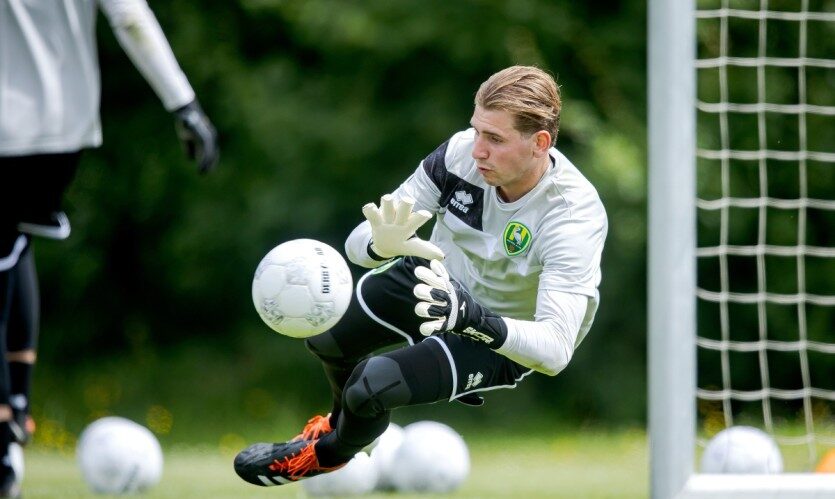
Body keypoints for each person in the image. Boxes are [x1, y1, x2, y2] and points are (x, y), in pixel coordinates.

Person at [234, 65, 607, 487]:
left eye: (495, 139)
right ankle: (339, 426)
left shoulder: (573, 215)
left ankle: (326, 454)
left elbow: (556, 350)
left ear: (539, 143)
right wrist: (382, 246)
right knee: (326, 329)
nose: (478, 150)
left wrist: (474, 320)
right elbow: (360, 244)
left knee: (369, 387)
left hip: (502, 333)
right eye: (477, 131)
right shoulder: (458, 155)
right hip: (436, 283)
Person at [0, 0, 219, 495]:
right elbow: (130, 16)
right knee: (14, 244)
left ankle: (2, 430)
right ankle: (16, 411)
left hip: (5, 127)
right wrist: (183, 104)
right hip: (66, 132)